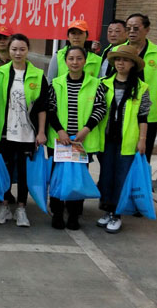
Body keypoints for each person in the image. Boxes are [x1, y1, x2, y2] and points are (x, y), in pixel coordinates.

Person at [0, 34, 49, 228]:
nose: (18, 53)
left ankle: (21, 208)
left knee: (23, 173)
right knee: (4, 170)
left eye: (22, 49)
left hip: (27, 134)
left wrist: (41, 132)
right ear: (9, 50)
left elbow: (43, 107)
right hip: (4, 133)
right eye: (14, 49)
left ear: (28, 50)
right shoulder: (0, 73)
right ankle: (4, 206)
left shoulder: (38, 75)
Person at [47, 46, 108, 230]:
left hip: (81, 141)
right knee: (57, 178)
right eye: (71, 58)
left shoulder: (96, 84)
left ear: (85, 61)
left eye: (79, 58)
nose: (75, 62)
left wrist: (86, 129)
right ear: (65, 61)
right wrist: (60, 131)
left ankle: (74, 215)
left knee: (78, 179)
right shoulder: (56, 83)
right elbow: (50, 108)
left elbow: (100, 108)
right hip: (60, 141)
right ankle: (57, 213)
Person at [97, 45, 151, 233]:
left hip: (127, 141)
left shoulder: (141, 88)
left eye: (126, 60)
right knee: (106, 176)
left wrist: (142, 139)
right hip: (105, 139)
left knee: (121, 178)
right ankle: (107, 210)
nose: (121, 63)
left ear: (133, 64)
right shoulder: (103, 84)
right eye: (118, 59)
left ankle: (117, 214)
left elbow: (143, 116)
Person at [125, 13, 157, 162]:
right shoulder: (118, 51)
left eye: (136, 28)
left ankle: (142, 178)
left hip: (149, 113)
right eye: (128, 28)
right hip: (123, 112)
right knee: (122, 155)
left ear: (147, 29)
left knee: (144, 154)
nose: (131, 31)